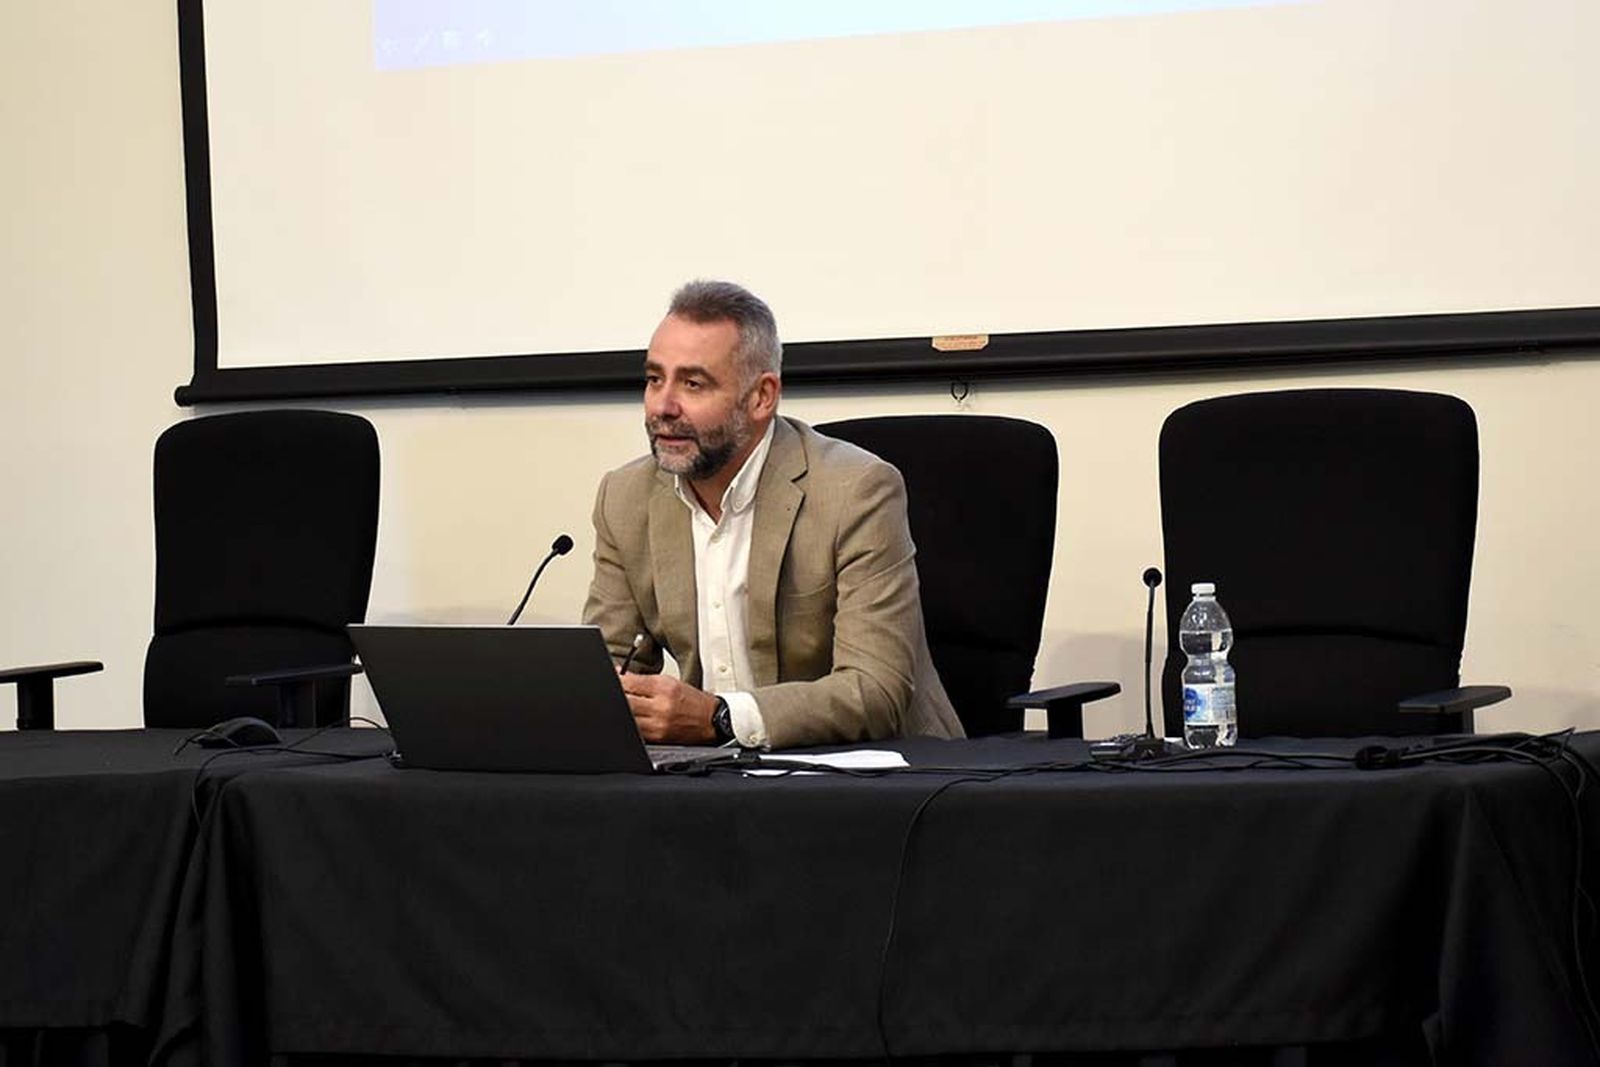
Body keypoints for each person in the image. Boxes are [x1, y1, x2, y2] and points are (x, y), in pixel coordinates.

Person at [582, 280, 964, 749]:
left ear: (762, 397)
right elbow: (606, 673)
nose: (663, 406)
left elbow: (875, 690)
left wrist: (721, 718)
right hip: (714, 778)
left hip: (880, 779)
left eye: (693, 383)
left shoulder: (857, 491)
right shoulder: (624, 497)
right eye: (654, 378)